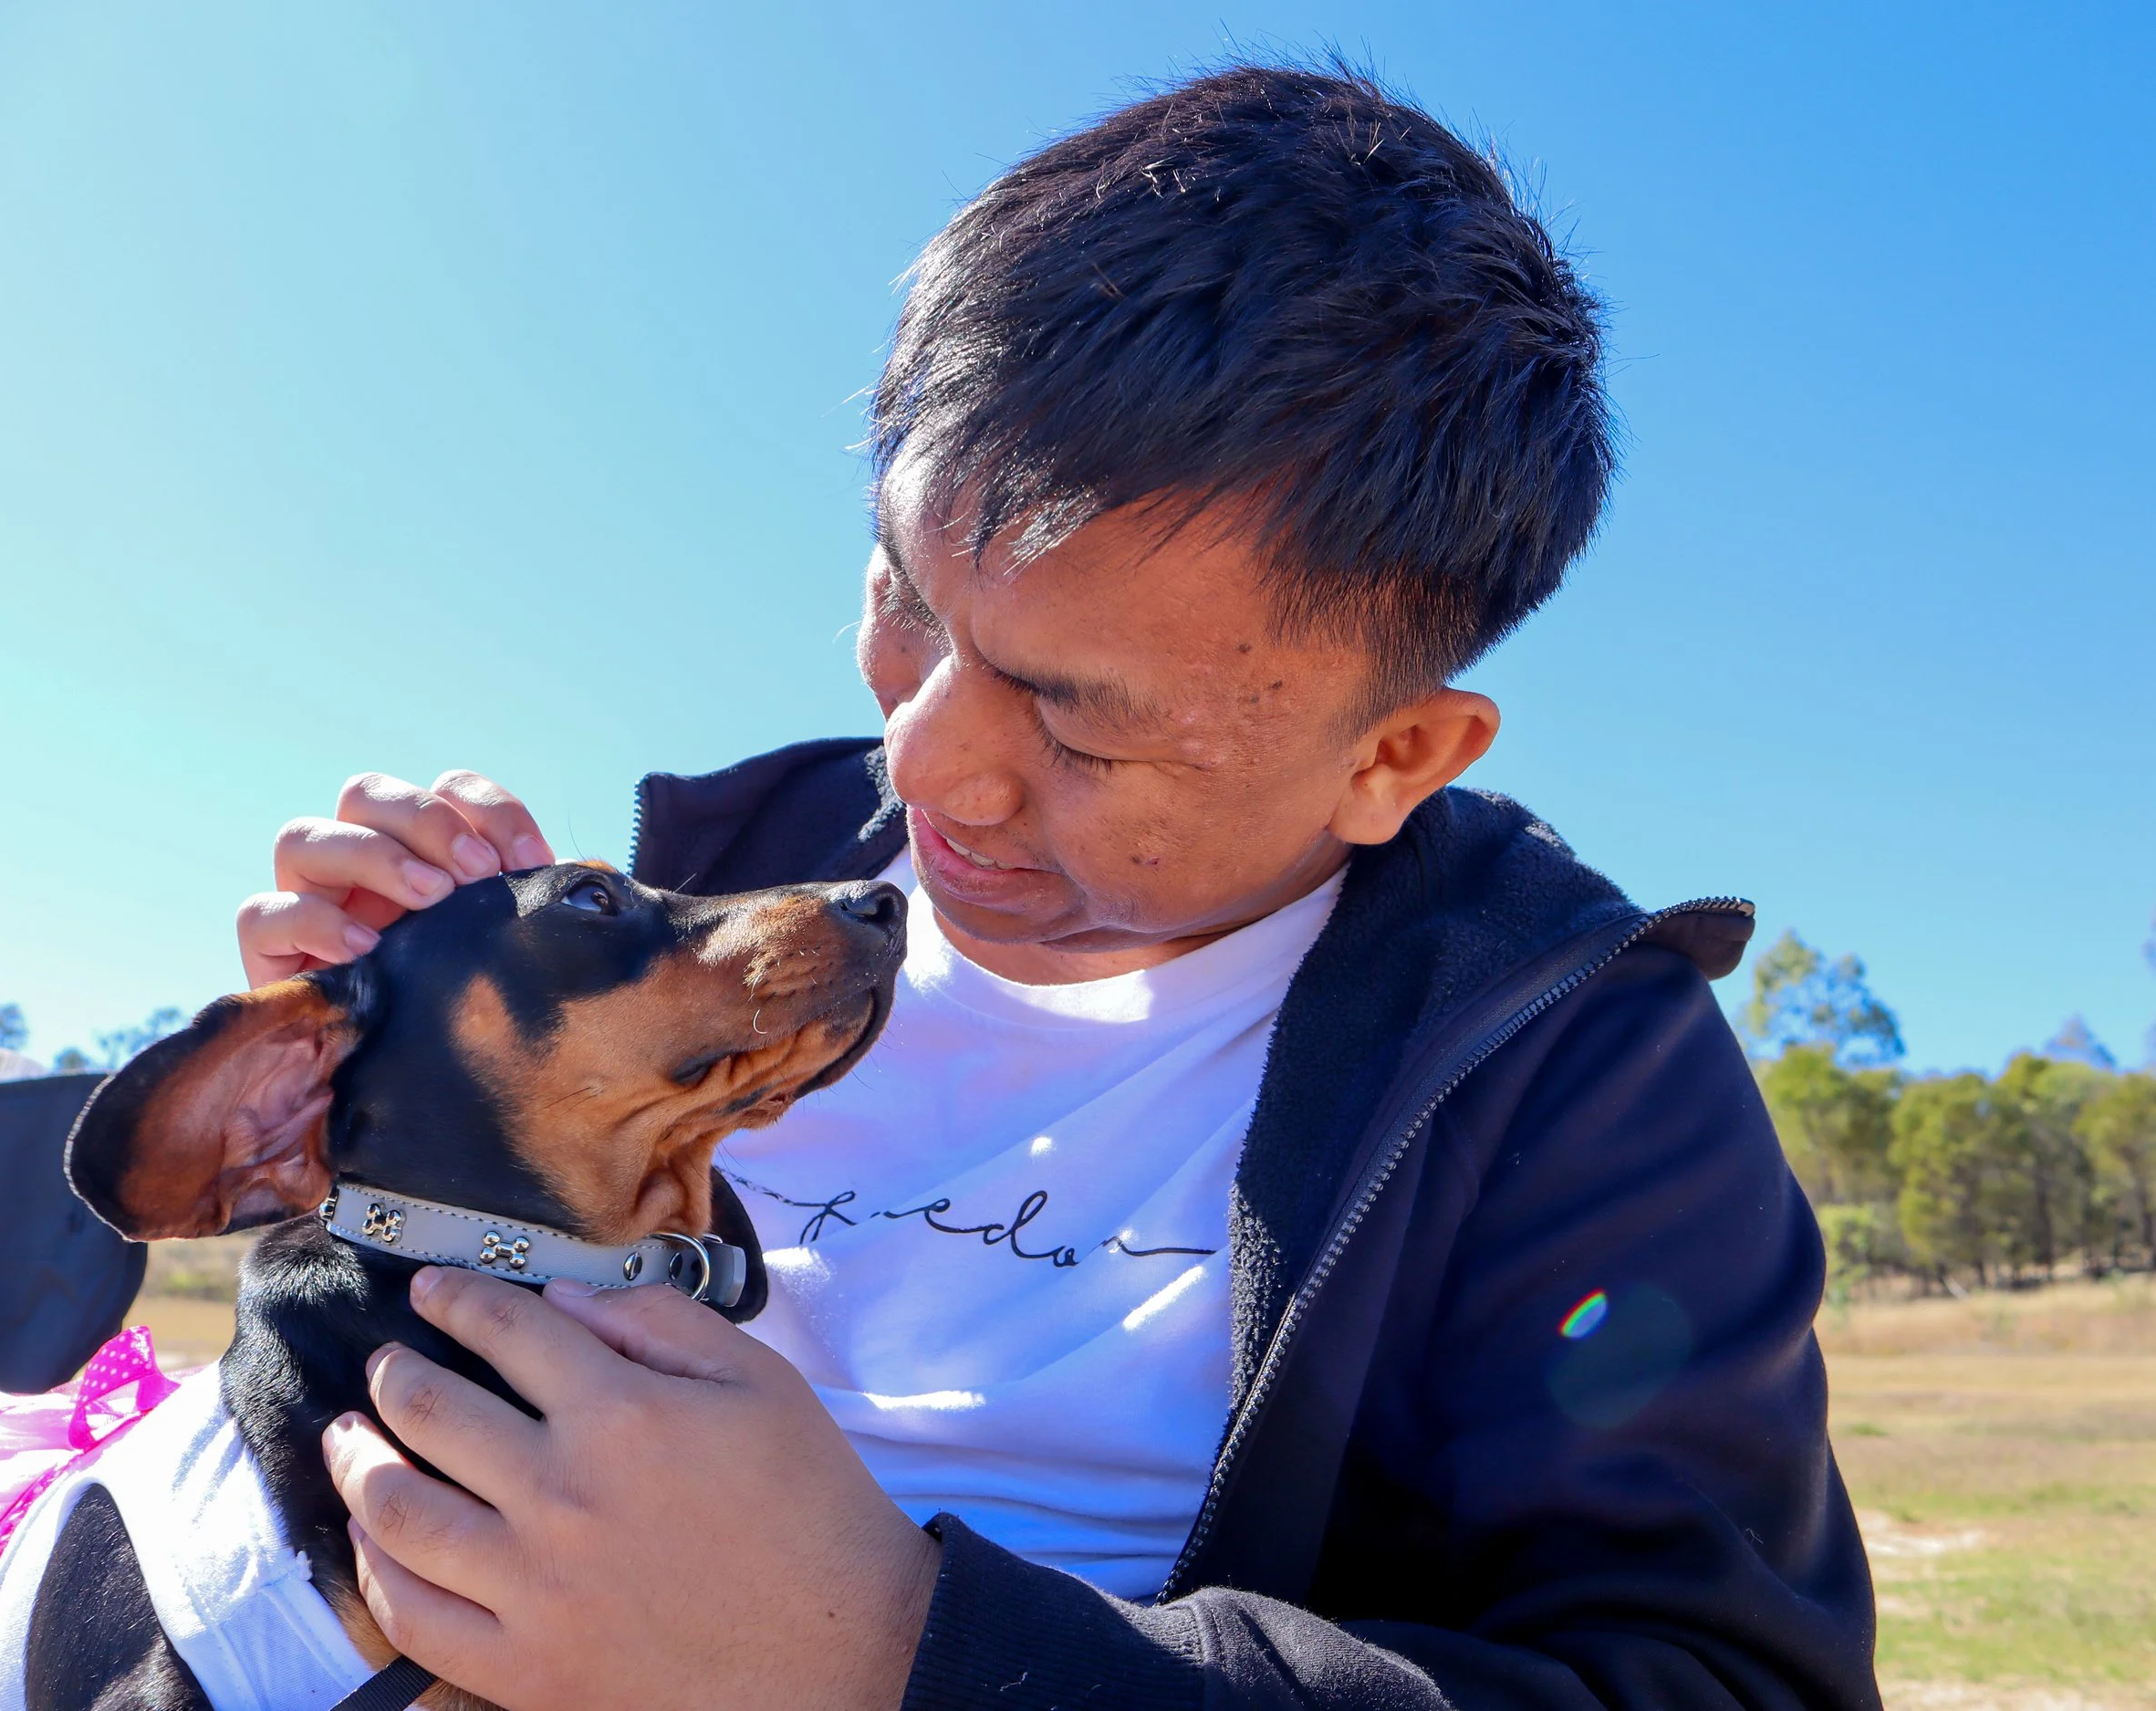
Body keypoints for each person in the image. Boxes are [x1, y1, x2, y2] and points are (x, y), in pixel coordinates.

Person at [240, 64, 1879, 1711]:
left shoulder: (1568, 1074)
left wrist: (898, 1652)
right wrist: (344, 1094)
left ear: (1397, 757)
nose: (925, 763)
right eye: (908, 601)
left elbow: (1731, 1689)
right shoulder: (715, 894)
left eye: (1088, 727)